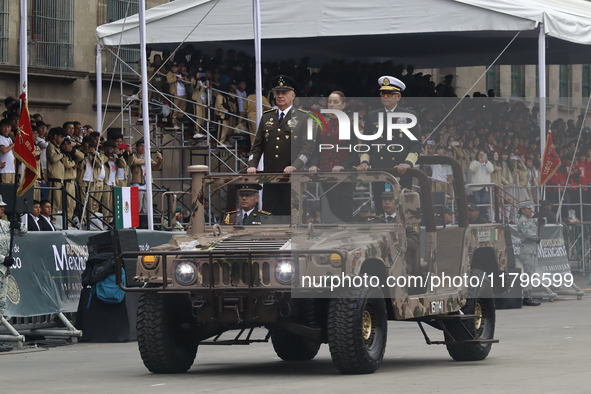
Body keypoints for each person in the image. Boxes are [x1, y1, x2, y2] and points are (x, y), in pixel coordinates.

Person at [246, 75, 316, 215]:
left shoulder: (305, 118)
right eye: (277, 93)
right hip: (270, 177)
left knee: (292, 214)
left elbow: (307, 148)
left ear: (293, 95)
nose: (280, 96)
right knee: (269, 214)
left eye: (284, 93)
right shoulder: (267, 117)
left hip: (292, 177)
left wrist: (295, 165)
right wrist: (252, 164)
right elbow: (257, 145)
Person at [357, 76, 421, 210]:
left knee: (404, 208)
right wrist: (364, 162)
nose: (386, 96)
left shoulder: (409, 115)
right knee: (381, 206)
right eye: (383, 93)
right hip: (379, 169)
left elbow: (416, 144)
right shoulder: (372, 115)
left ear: (398, 97)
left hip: (401, 170)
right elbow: (366, 143)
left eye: (390, 94)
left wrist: (408, 163)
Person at [308, 91, 358, 222]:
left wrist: (343, 166)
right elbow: (317, 151)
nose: (332, 105)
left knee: (343, 212)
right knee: (327, 211)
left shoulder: (349, 126)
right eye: (329, 102)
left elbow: (354, 153)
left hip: (343, 177)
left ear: (343, 105)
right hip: (325, 176)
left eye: (336, 102)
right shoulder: (322, 126)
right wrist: (314, 165)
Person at [0, 194, 27, 352]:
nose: (2, 208)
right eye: (0, 207)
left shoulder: (5, 224)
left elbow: (23, 233)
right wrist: (3, 259)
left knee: (1, 306)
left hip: (3, 271)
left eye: (3, 206)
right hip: (2, 265)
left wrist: (18, 225)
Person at [516, 201, 542, 306]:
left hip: (532, 249)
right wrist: (537, 238)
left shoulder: (529, 220)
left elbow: (536, 222)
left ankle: (529, 295)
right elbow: (527, 233)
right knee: (528, 274)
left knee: (531, 273)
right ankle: (526, 297)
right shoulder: (523, 221)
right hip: (527, 250)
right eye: (528, 209)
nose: (531, 211)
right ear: (523, 210)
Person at [127, 139, 163, 214]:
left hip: (147, 184)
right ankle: (136, 224)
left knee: (146, 207)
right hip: (137, 184)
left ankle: (145, 224)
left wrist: (160, 160)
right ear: (136, 147)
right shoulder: (134, 156)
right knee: (138, 206)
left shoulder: (147, 157)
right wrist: (147, 160)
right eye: (141, 146)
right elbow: (133, 162)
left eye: (144, 146)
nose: (143, 148)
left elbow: (156, 167)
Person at [46, 127, 67, 217]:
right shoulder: (51, 146)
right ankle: (52, 219)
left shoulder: (57, 148)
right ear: (55, 136)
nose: (62, 140)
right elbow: (53, 158)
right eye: (61, 137)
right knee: (54, 201)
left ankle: (55, 219)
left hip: (59, 178)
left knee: (58, 202)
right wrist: (62, 154)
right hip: (54, 178)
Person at [469, 150, 494, 218]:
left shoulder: (488, 163)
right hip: (476, 186)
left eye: (483, 154)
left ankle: (481, 216)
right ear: (477, 155)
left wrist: (486, 162)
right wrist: (479, 163)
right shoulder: (474, 162)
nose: (481, 156)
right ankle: (476, 216)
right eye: (480, 154)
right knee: (478, 201)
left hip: (485, 186)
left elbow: (491, 170)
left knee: (483, 202)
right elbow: (472, 170)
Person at [166, 62, 190, 130]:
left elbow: (188, 82)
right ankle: (174, 123)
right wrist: (177, 79)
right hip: (175, 94)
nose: (174, 69)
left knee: (182, 109)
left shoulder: (180, 73)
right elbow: (169, 80)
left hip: (183, 94)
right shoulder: (170, 74)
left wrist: (184, 77)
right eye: (173, 67)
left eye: (176, 67)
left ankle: (180, 123)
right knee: (175, 109)